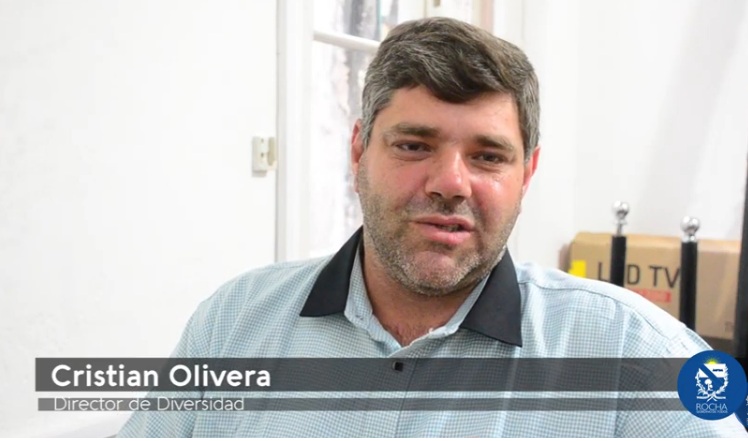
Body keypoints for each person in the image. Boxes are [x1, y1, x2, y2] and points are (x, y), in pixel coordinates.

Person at [118, 17, 748, 437]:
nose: (451, 182)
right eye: (415, 145)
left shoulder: (638, 359)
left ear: (527, 174)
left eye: (488, 156)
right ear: (358, 150)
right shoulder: (232, 326)